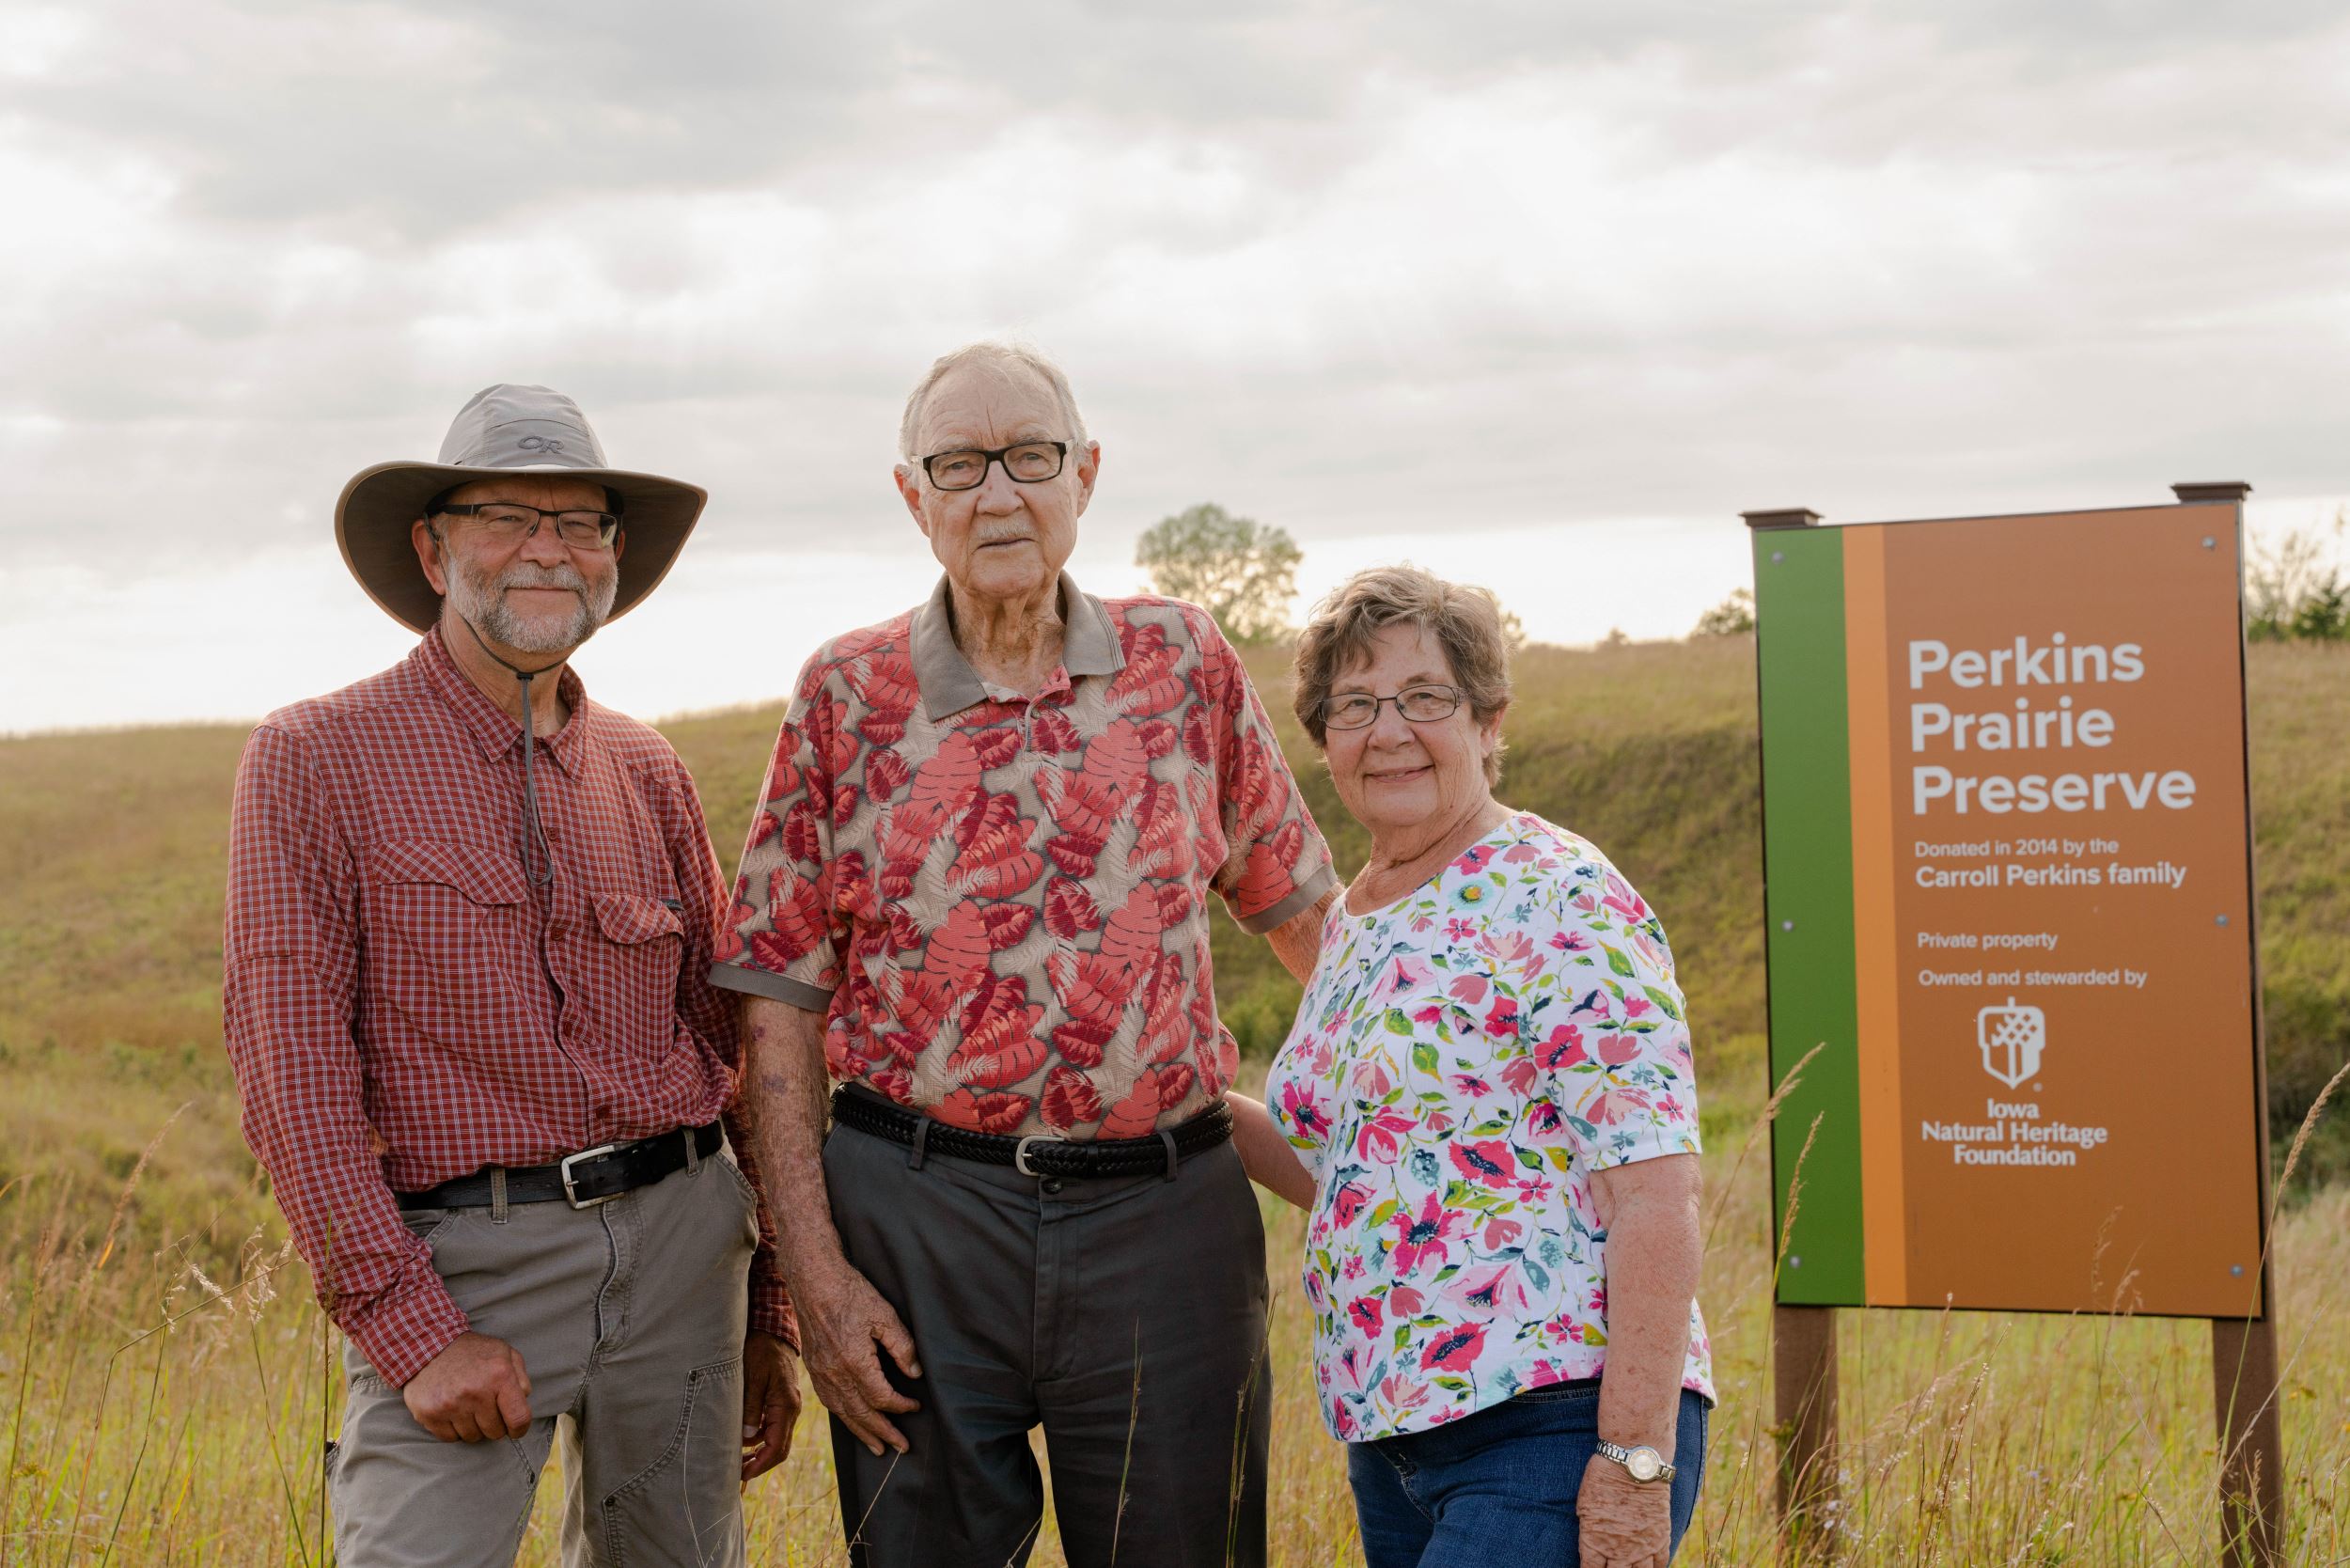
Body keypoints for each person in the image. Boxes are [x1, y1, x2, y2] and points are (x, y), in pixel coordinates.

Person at [713, 341, 1339, 1567]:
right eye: (960, 464)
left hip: (1168, 1220)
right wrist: (817, 1277)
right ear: (914, 495)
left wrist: (1451, 1130)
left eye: (1030, 457)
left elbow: (1310, 921)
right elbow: (777, 1005)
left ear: (1085, 475)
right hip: (918, 1223)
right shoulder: (846, 693)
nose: (998, 493)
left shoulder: (1184, 663)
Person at [223, 384, 800, 1568]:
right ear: (433, 551)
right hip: (464, 1266)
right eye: (504, 516)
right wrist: (410, 1329)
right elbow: (293, 1075)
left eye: (580, 523)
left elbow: (730, 1052)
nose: (547, 549)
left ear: (613, 558)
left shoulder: (646, 770)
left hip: (688, 1251)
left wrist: (767, 1311)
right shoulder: (314, 759)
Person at [1227, 565, 1715, 1568]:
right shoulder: (1359, 915)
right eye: (1354, 706)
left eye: (1424, 698)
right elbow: (1362, 1171)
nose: (1388, 729)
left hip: (1550, 1422)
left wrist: (1631, 1465)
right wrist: (1192, 1108)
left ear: (1489, 722)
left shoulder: (1557, 893)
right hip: (1397, 1440)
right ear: (1324, 743)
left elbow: (1656, 1194)